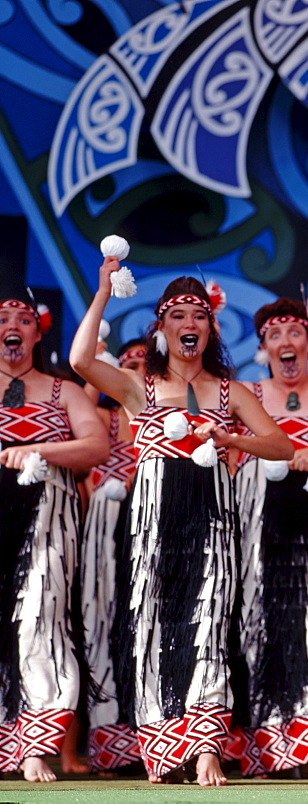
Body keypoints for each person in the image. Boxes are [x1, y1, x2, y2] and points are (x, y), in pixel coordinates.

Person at [70, 262, 292, 785]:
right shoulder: (136, 387)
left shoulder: (230, 393)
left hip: (211, 518)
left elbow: (280, 445)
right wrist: (103, 292)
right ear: (161, 329)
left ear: (211, 329)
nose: (189, 322)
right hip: (152, 520)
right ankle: (166, 750)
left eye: (200, 315)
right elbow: (81, 359)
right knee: (153, 627)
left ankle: (207, 748)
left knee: (207, 622)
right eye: (178, 315)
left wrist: (232, 440)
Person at [233, 298, 308, 781]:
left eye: (294, 333)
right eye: (275, 335)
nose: (286, 343)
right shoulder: (246, 393)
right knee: (255, 623)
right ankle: (265, 749)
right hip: (257, 521)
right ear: (264, 347)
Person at [0, 295, 108, 782]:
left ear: (38, 334)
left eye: (24, 319)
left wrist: (35, 448)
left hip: (47, 516)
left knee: (39, 620)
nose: (13, 326)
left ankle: (33, 746)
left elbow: (96, 445)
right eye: (3, 320)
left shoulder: (63, 390)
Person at [81, 338, 147, 774]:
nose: (136, 370)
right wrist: (98, 356)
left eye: (145, 363)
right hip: (103, 537)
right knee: (101, 625)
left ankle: (152, 738)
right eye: (127, 364)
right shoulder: (101, 419)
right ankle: (109, 745)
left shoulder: (161, 418)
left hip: (148, 531)